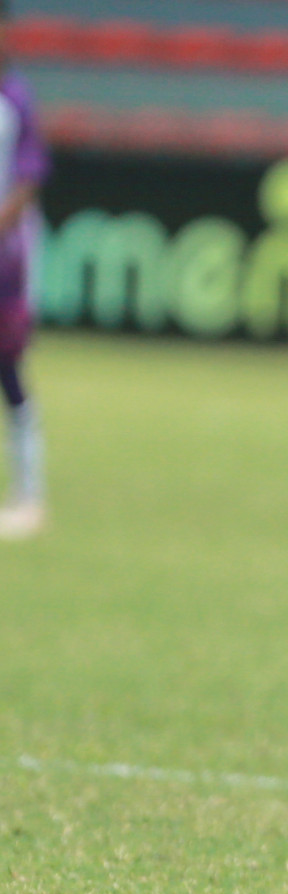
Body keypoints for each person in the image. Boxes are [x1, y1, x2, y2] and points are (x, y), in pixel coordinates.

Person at [0, 1, 49, 541]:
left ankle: (30, 496)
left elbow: (28, 179)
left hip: (4, 267)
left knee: (10, 375)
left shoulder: (16, 101)